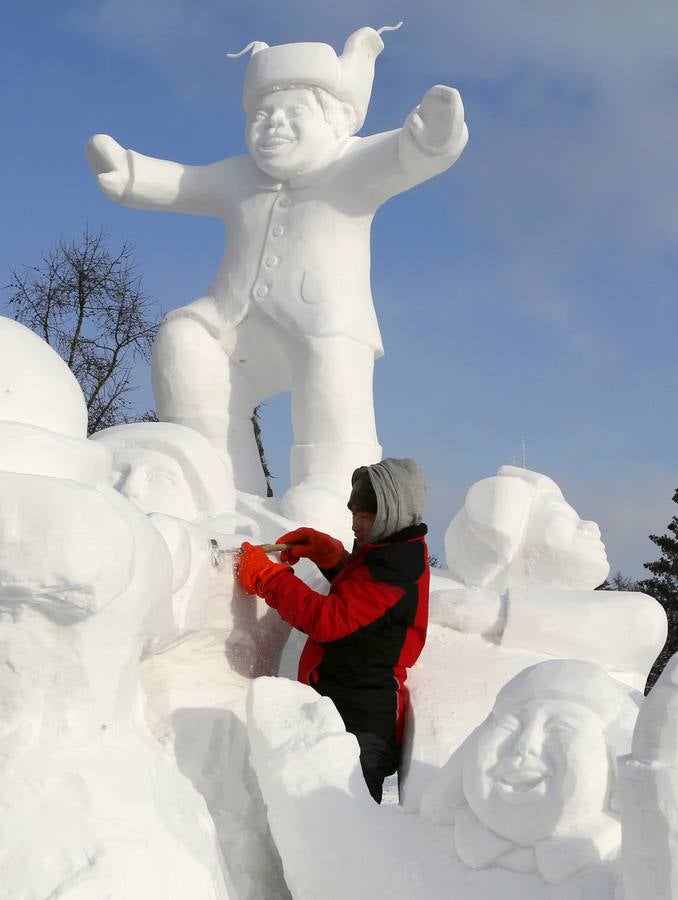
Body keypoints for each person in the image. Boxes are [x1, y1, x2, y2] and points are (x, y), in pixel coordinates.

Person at [85, 25, 468, 528]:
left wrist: (434, 137)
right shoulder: (238, 176)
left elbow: (407, 155)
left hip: (321, 325)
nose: (273, 125)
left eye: (294, 114)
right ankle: (216, 477)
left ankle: (333, 488)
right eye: (262, 114)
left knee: (332, 375)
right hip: (232, 322)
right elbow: (184, 182)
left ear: (335, 122)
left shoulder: (352, 164)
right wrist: (130, 173)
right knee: (184, 341)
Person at [237, 457, 430, 802]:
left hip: (363, 727)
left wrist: (269, 578)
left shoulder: (398, 569)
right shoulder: (388, 553)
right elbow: (362, 603)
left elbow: (330, 620)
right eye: (353, 514)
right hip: (344, 708)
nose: (355, 525)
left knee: (346, 836)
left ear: (390, 514)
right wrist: (330, 556)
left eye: (364, 516)